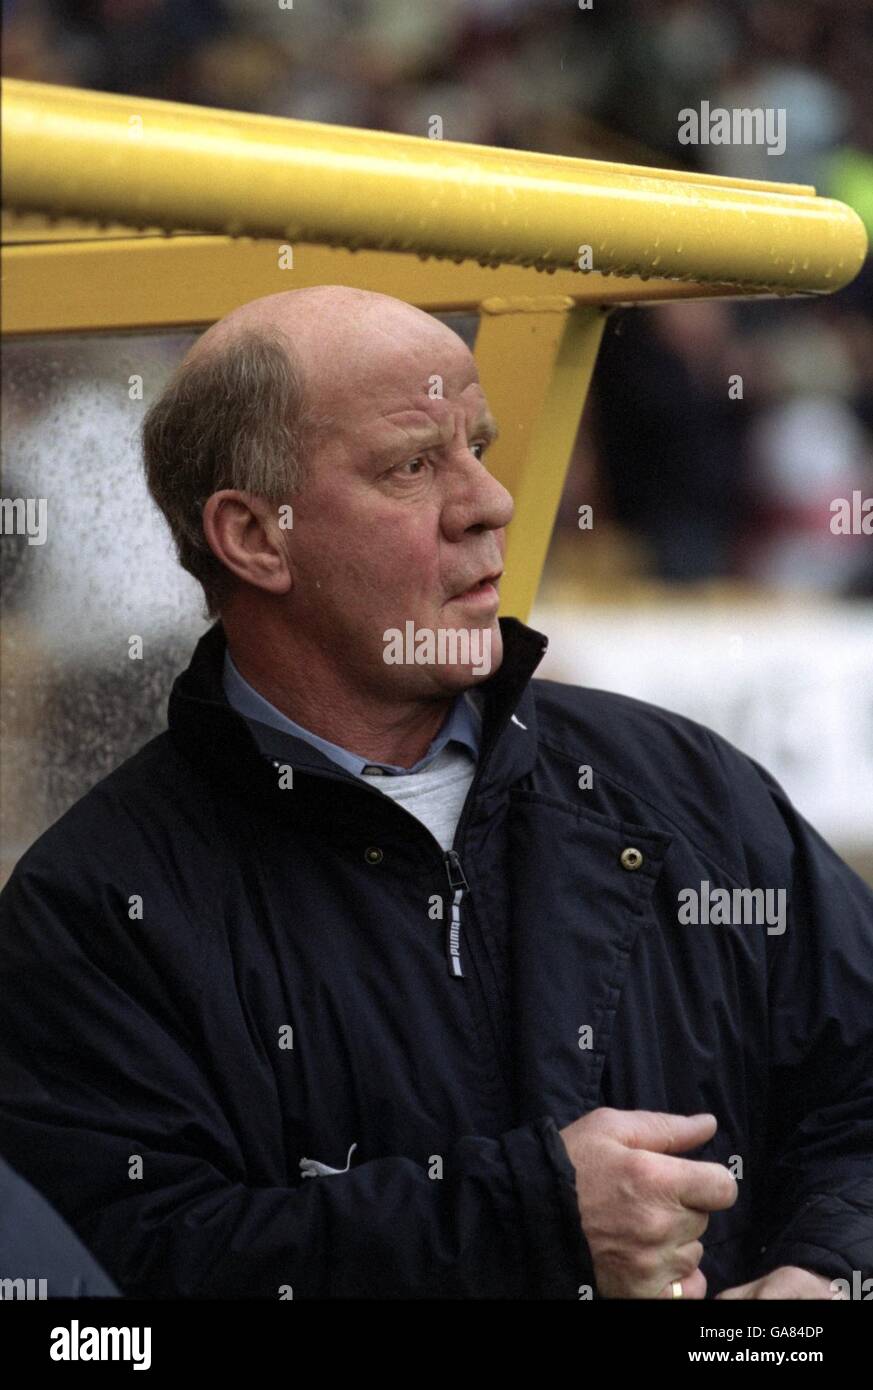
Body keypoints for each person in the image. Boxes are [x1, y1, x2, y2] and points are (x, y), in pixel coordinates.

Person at [1, 286, 871, 1300]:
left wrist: (827, 1275)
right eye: (415, 464)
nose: (490, 501)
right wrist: (528, 1221)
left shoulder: (687, 788)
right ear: (253, 537)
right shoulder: (94, 911)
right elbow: (115, 1286)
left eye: (480, 446)